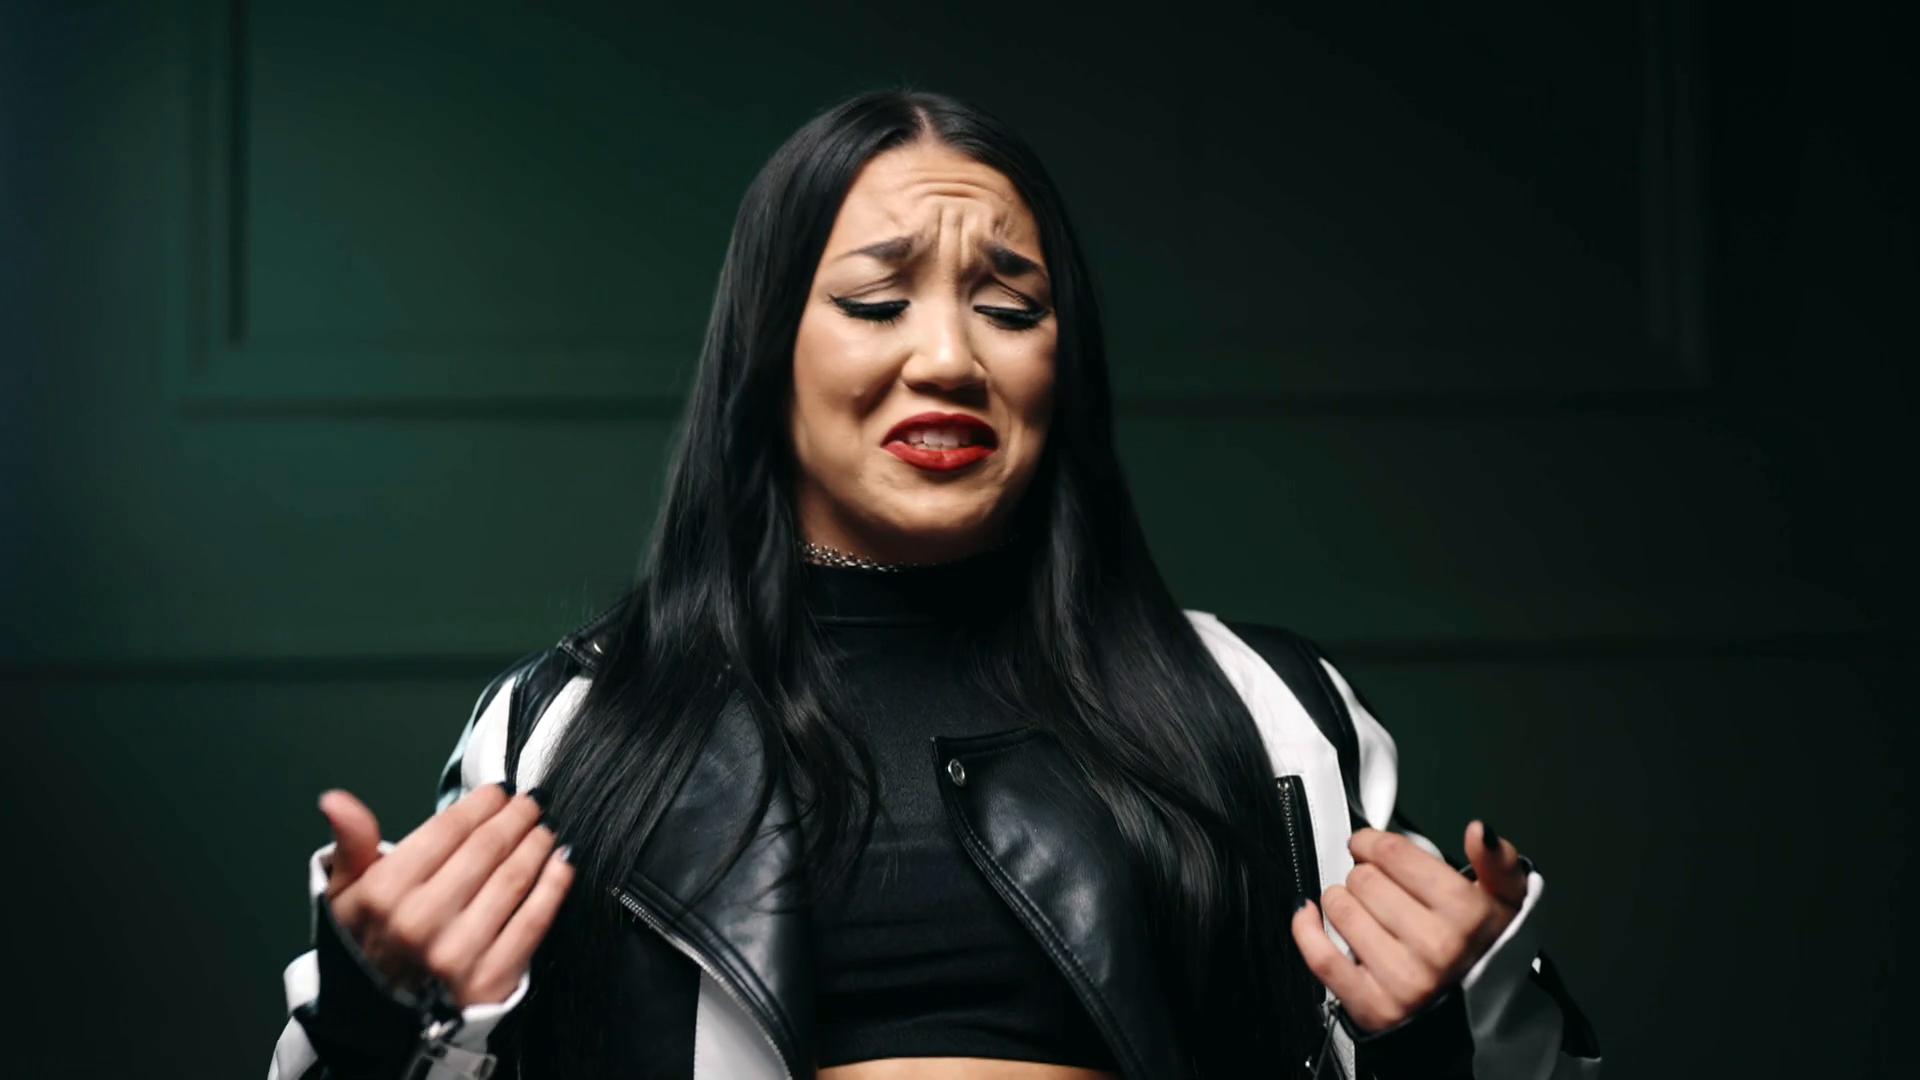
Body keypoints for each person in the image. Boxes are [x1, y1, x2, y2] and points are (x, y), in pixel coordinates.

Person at [266, 89, 1601, 1080]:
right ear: (767, 355)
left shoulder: (1263, 711)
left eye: (1011, 309)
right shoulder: (571, 731)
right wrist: (384, 1018)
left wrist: (1458, 1017)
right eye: (876, 303)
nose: (952, 358)